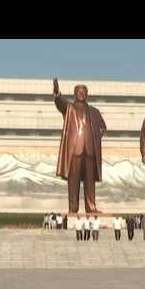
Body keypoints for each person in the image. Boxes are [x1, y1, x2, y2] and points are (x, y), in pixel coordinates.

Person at [52, 78, 107, 214]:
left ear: (87, 94)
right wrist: (57, 94)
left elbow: (103, 128)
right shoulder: (69, 108)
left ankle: (91, 207)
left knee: (90, 182)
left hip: (90, 151)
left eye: (84, 92)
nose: (81, 94)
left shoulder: (94, 112)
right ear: (75, 94)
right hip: (75, 150)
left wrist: (96, 136)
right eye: (79, 91)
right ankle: (73, 208)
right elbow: (60, 104)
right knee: (73, 181)